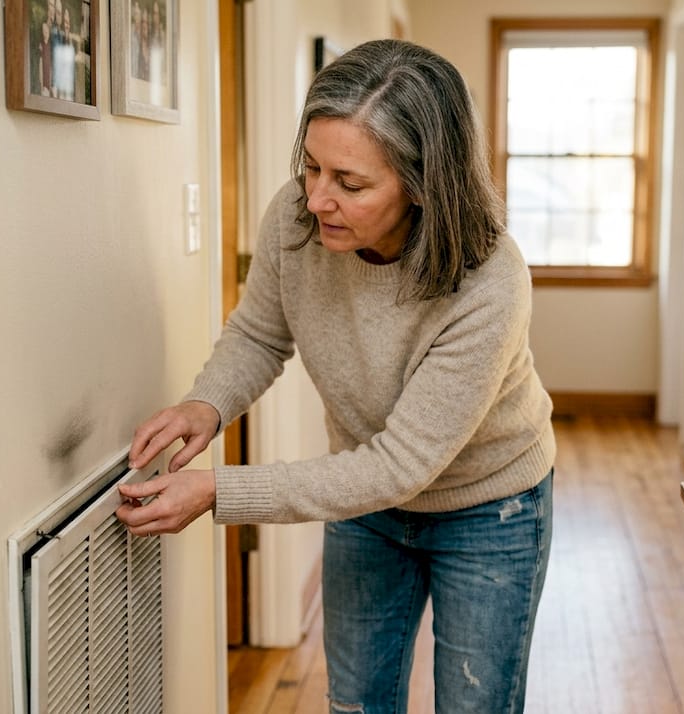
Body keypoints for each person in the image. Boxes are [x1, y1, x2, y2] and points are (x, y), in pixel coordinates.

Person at [117, 38, 556, 714]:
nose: (318, 197)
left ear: (421, 183)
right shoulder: (294, 218)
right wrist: (205, 406)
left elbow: (401, 464)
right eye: (312, 167)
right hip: (365, 504)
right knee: (355, 702)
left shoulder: (489, 281)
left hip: (489, 508)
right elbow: (261, 333)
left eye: (349, 183)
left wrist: (218, 491)